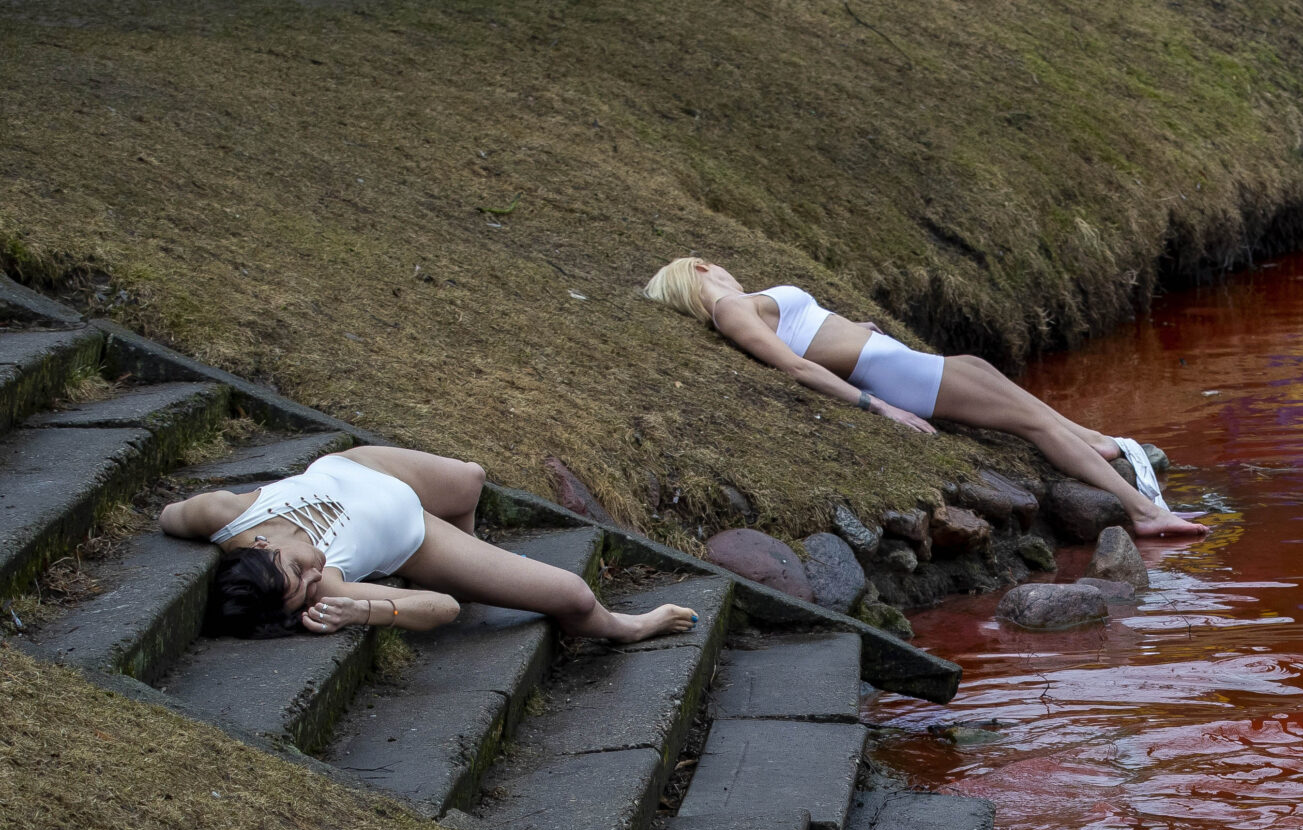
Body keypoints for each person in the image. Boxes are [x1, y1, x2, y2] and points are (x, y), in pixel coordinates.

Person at [641, 257, 1207, 540]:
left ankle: (1097, 443)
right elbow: (793, 364)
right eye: (718, 263)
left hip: (892, 361)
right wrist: (878, 406)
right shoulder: (730, 308)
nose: (728, 268)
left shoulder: (746, 304)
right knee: (1034, 427)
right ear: (699, 269)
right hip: (895, 378)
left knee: (981, 368)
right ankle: (1144, 512)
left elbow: (810, 332)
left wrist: (854, 329)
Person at [158, 446, 698, 642]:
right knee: (575, 596)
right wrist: (367, 613)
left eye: (297, 574)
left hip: (360, 467)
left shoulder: (225, 516)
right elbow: (444, 608)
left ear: (260, 553)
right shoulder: (330, 592)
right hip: (413, 538)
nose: (314, 576)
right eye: (307, 590)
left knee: (470, 477)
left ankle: (476, 552)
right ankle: (626, 627)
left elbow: (166, 516)